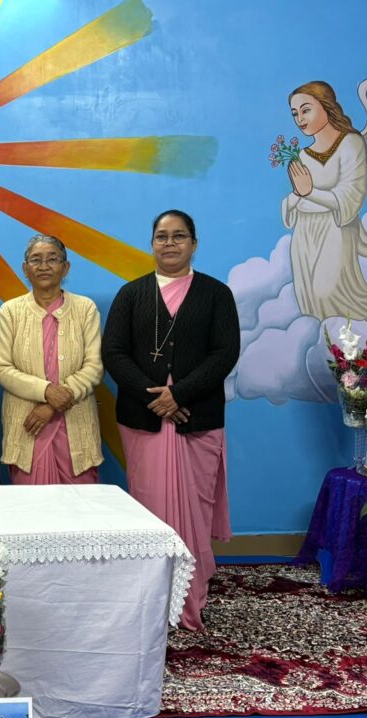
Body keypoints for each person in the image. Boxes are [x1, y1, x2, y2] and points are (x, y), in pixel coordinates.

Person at [102, 210, 240, 631]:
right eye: (162, 236)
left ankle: (191, 595)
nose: (170, 243)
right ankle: (151, 597)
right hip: (142, 420)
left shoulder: (216, 294)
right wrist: (157, 399)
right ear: (152, 244)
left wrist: (178, 394)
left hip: (197, 419)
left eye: (179, 236)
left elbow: (225, 353)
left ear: (194, 244)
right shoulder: (131, 294)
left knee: (194, 510)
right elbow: (114, 353)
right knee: (151, 507)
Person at [283, 81, 367, 324]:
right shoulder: (302, 156)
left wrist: (308, 193)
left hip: (336, 231)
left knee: (328, 293)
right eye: (294, 113)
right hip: (305, 234)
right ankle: (329, 347)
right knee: (309, 300)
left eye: (306, 110)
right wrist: (297, 196)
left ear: (326, 106)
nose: (300, 119)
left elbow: (350, 197)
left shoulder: (351, 144)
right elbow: (296, 200)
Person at [0, 234, 103, 484]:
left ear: (66, 267)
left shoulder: (85, 309)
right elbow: (2, 368)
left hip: (75, 424)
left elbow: (94, 367)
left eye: (52, 259)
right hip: (27, 427)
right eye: (36, 260)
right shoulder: (10, 311)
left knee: (79, 503)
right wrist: (46, 391)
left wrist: (52, 405)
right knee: (32, 505)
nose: (44, 266)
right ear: (25, 269)